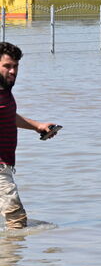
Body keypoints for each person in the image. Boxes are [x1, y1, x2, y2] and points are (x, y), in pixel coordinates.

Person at [0, 42, 59, 230]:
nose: (12, 71)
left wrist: (37, 126)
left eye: (15, 66)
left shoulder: (5, 92)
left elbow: (8, 116)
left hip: (5, 165)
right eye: (7, 66)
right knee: (16, 220)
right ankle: (12, 258)